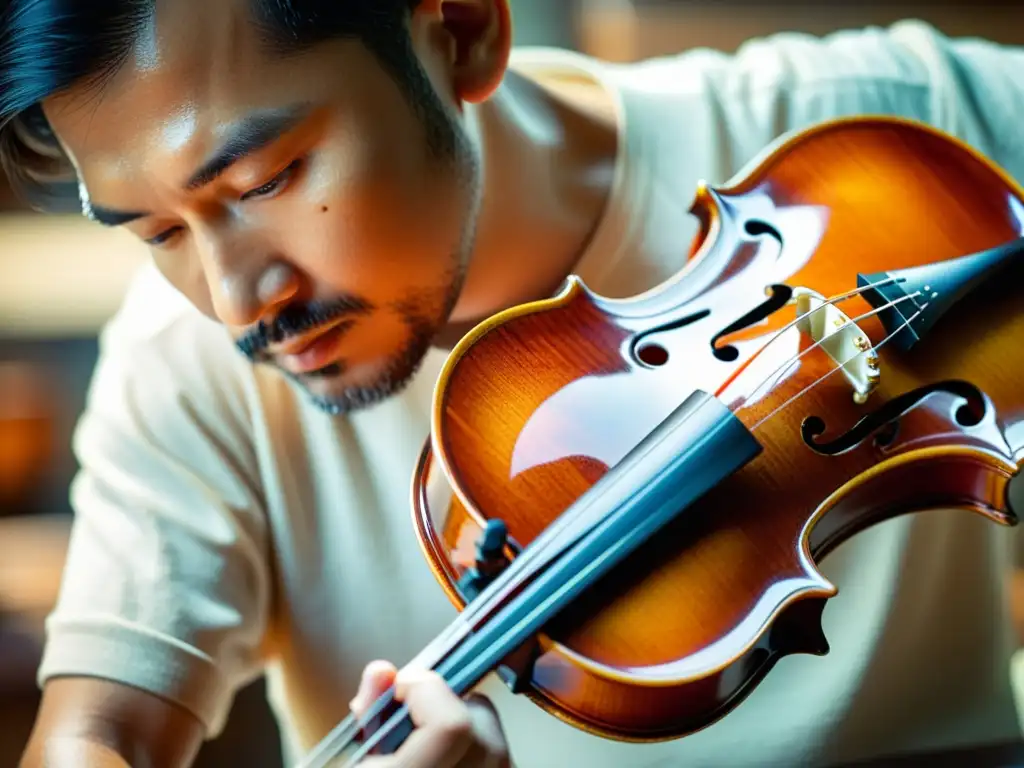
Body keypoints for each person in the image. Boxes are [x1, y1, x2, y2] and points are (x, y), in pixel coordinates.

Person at [6, 1, 1024, 766]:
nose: (235, 303)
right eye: (157, 231)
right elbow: (97, 735)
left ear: (459, 31)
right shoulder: (180, 366)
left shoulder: (888, 138)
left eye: (266, 179)